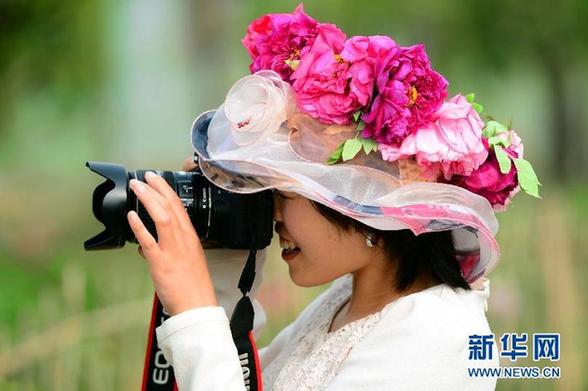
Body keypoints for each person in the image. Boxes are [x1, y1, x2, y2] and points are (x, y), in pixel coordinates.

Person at [126, 5, 540, 390]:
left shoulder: (439, 330)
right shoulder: (345, 304)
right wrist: (219, 270)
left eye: (285, 193)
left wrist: (195, 310)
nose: (273, 214)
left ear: (365, 204)